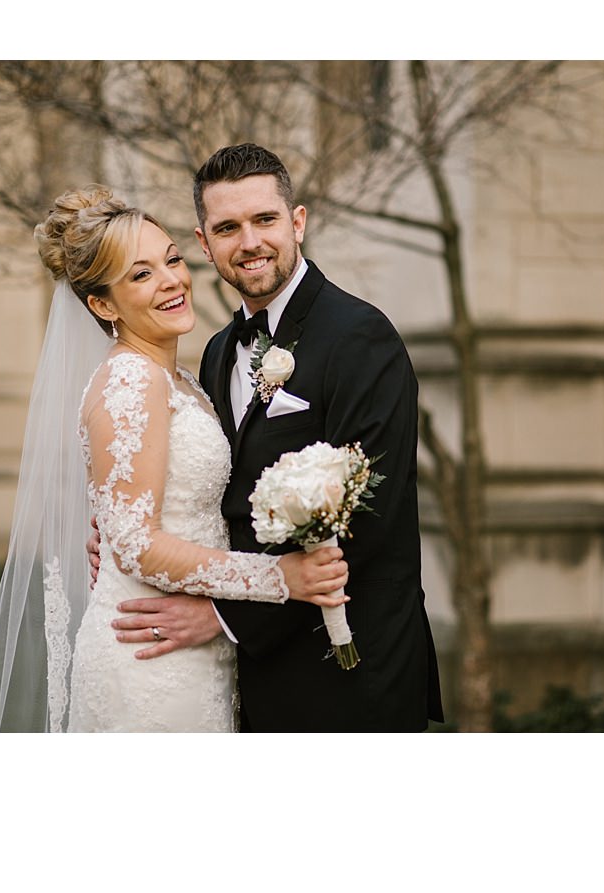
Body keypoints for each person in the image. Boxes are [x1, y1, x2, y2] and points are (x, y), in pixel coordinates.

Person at [0, 187, 349, 732]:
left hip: (188, 650)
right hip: (147, 656)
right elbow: (137, 545)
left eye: (171, 259)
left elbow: (136, 521)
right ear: (103, 305)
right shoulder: (131, 380)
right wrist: (281, 578)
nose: (172, 280)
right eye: (140, 275)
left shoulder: (179, 380)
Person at [107, 144, 444, 731]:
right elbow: (215, 492)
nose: (250, 242)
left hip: (351, 674)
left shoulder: (362, 339)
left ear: (298, 222)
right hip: (254, 678)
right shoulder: (215, 353)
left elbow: (367, 521)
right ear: (205, 243)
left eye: (265, 220)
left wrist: (224, 616)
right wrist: (125, 525)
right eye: (228, 228)